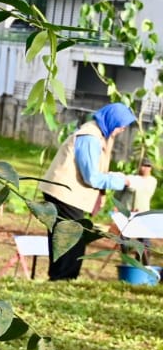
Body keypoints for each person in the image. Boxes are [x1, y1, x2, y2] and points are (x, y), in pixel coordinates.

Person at [39, 102, 135, 281]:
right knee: (71, 238)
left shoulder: (99, 134)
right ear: (111, 121)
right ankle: (62, 278)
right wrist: (122, 180)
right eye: (121, 125)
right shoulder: (90, 137)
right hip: (64, 194)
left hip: (67, 193)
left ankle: (62, 278)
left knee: (66, 237)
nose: (122, 129)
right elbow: (91, 177)